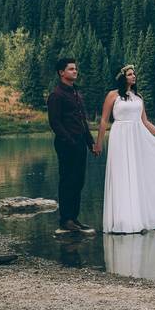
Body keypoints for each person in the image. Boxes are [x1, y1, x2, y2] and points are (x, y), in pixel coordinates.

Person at [95, 64, 155, 234]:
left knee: (136, 175)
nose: (133, 76)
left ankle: (141, 218)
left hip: (136, 139)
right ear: (123, 77)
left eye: (134, 74)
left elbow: (145, 122)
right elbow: (104, 121)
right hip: (119, 137)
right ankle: (122, 221)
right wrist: (99, 142)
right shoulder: (113, 95)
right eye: (129, 74)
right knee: (121, 175)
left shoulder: (138, 97)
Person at [47, 57, 98, 234]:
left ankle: (74, 219)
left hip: (79, 143)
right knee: (67, 181)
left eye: (75, 69)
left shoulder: (76, 93)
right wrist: (69, 140)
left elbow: (82, 121)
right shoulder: (56, 95)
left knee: (78, 181)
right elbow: (55, 122)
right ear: (61, 73)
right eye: (71, 69)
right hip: (66, 144)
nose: (75, 71)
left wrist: (90, 142)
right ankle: (65, 220)